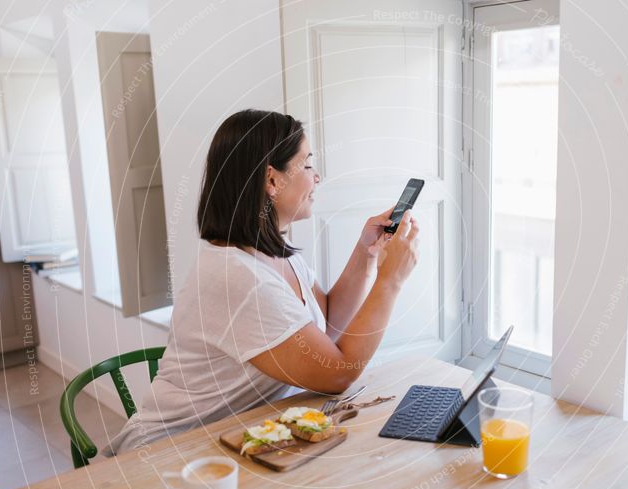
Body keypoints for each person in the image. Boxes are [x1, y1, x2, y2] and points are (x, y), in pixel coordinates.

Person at [104, 109, 419, 455]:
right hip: (172, 451)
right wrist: (390, 282)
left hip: (237, 436)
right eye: (308, 164)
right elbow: (337, 372)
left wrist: (366, 254)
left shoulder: (276, 253)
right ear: (272, 181)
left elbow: (325, 324)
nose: (317, 178)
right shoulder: (238, 279)